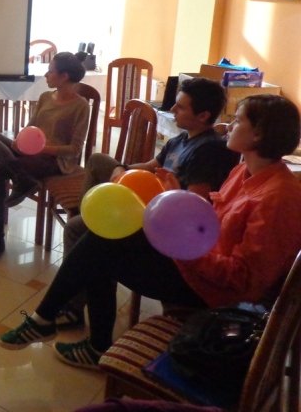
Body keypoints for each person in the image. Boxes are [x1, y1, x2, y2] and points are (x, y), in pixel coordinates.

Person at [0, 94, 301, 373]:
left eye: (239, 120)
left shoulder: (279, 198)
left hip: (210, 290)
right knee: (104, 237)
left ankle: (59, 326)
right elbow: (210, 221)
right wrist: (175, 203)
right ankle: (61, 326)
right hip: (194, 263)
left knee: (100, 251)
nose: (230, 125)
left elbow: (243, 280)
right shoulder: (243, 171)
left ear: (259, 134)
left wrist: (181, 246)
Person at [57, 77, 241, 327]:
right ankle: (90, 215)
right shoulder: (179, 140)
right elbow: (150, 166)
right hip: (147, 200)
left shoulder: (209, 150)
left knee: (75, 228)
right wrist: (122, 168)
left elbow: (194, 206)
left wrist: (158, 195)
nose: (172, 110)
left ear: (203, 115)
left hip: (161, 220)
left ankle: (73, 306)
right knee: (99, 160)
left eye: (180, 107)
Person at [0, 52, 90, 263]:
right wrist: (19, 142)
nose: (46, 75)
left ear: (64, 76)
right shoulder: (46, 97)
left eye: (50, 71)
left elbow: (74, 150)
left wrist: (43, 149)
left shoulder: (80, 105)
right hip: (29, 152)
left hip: (54, 161)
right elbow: (31, 127)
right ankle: (22, 177)